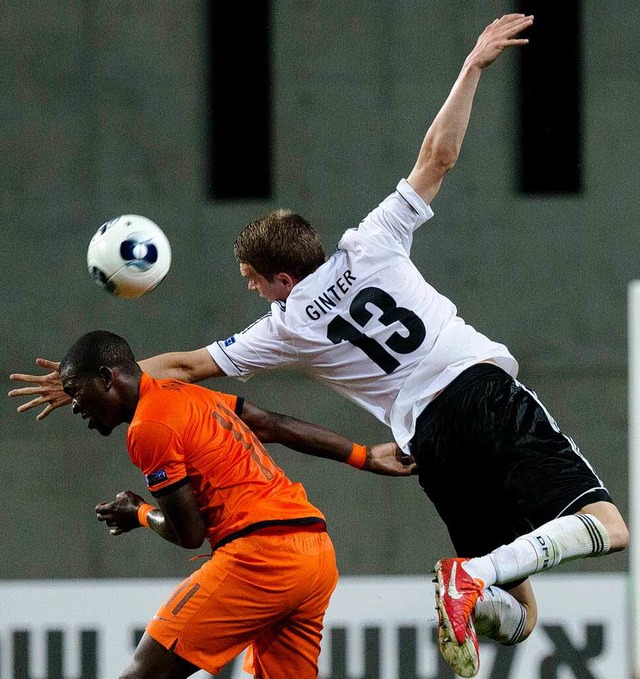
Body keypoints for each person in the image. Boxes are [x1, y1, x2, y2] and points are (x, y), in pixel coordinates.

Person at [8, 14, 629, 678]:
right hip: (479, 390)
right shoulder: (374, 239)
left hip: (431, 443)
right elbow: (438, 157)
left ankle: (473, 577)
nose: (251, 291)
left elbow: (184, 366)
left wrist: (91, 378)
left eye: (252, 280)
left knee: (523, 615)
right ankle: (472, 575)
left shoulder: (286, 326)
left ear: (282, 278)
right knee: (610, 525)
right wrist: (472, 66)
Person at [57, 329, 414, 679]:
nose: (73, 404)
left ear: (106, 377)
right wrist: (362, 455)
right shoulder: (191, 395)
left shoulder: (149, 426)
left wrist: (138, 512)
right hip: (314, 554)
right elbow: (273, 425)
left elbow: (190, 533)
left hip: (260, 559)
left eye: (74, 390)